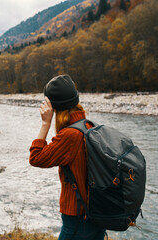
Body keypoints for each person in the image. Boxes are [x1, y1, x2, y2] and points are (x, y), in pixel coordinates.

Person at [29, 75, 106, 240]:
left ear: (52, 107)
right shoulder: (89, 125)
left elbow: (36, 158)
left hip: (78, 215)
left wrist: (45, 124)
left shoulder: (69, 136)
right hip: (97, 211)